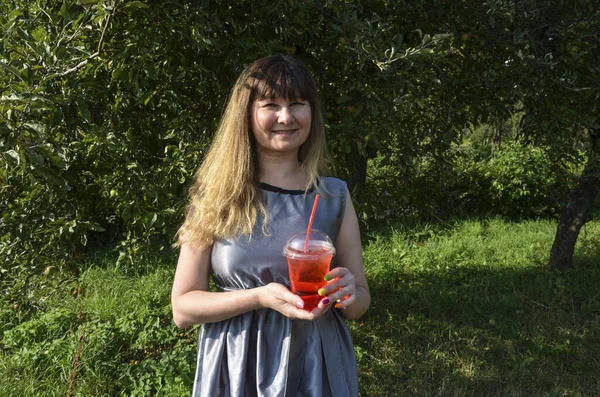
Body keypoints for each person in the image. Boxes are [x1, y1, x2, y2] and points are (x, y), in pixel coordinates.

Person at [171, 54, 370, 397]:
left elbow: (359, 303)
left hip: (315, 365)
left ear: (312, 112)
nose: (286, 117)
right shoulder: (217, 196)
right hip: (236, 366)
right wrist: (259, 297)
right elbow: (183, 308)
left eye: (297, 103)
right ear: (246, 115)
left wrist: (347, 292)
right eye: (270, 104)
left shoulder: (332, 195)